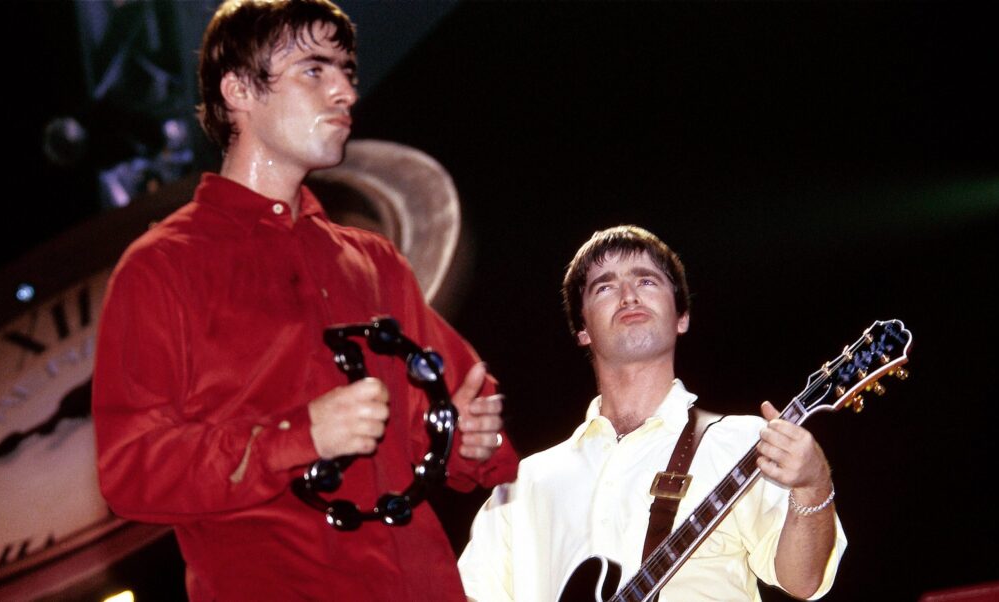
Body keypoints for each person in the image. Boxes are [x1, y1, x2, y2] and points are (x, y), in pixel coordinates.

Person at [91, 1, 518, 599]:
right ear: (238, 90)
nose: (345, 91)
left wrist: (470, 440)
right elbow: (131, 470)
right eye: (315, 71)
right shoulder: (162, 267)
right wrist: (300, 436)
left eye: (347, 71)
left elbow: (463, 407)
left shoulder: (374, 263)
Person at [457, 225, 846, 601]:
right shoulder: (522, 483)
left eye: (646, 281)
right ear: (582, 330)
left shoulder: (747, 442)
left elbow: (803, 580)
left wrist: (813, 485)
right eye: (605, 286)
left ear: (682, 318)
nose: (628, 296)